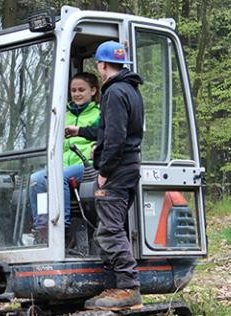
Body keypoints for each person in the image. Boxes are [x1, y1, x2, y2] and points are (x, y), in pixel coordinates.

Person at [66, 41, 144, 311]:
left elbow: (114, 137)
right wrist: (79, 132)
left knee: (110, 230)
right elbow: (106, 128)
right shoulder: (130, 90)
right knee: (115, 227)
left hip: (117, 169)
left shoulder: (113, 93)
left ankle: (128, 287)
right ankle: (116, 285)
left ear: (101, 65)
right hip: (129, 167)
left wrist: (105, 172)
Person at [29, 72, 100, 244]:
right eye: (73, 90)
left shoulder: (99, 114)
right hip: (61, 164)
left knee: (62, 177)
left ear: (93, 91)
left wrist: (97, 146)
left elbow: (106, 135)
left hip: (87, 165)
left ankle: (62, 228)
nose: (76, 94)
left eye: (81, 90)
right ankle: (43, 228)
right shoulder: (63, 114)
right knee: (36, 179)